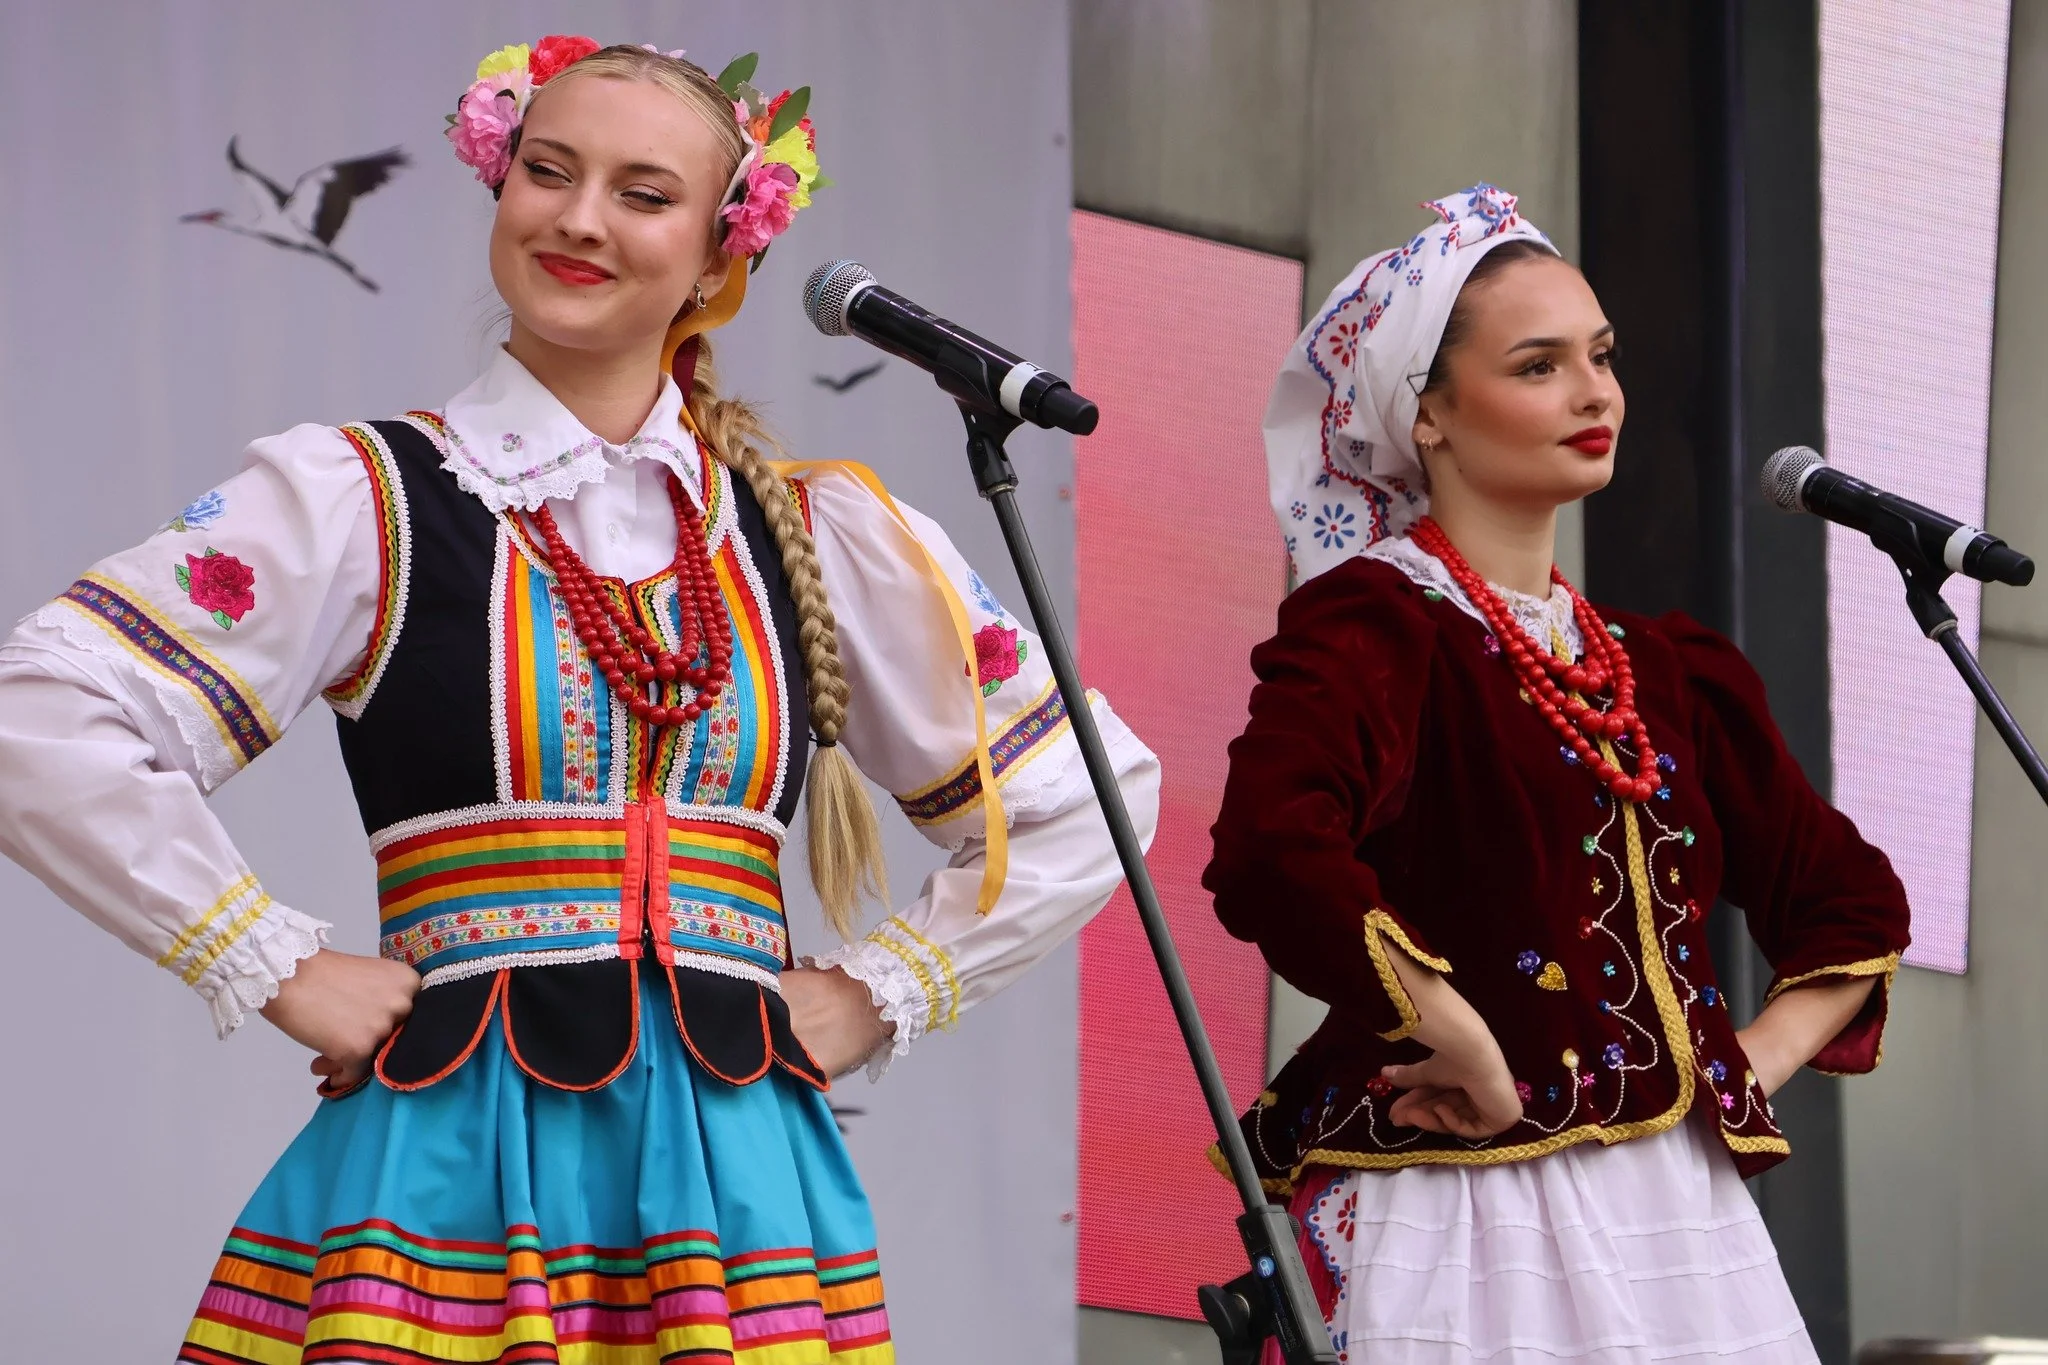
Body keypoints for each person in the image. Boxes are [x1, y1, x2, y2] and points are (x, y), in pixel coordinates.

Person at [0, 38, 1158, 1363]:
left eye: (642, 192)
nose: (580, 217)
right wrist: (272, 958)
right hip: (455, 1158)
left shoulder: (821, 535)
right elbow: (41, 712)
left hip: (735, 1188)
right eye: (547, 172)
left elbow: (1094, 794)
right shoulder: (365, 499)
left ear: (726, 253)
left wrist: (881, 989)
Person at [1206, 184, 1909, 1365]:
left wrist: (1733, 1067)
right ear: (1423, 414)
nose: (1595, 393)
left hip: (1680, 1221)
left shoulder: (1667, 668)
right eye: (1537, 366)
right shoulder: (1376, 627)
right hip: (1460, 1206)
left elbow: (1849, 904)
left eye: (1600, 355)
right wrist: (1459, 1037)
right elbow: (1273, 851)